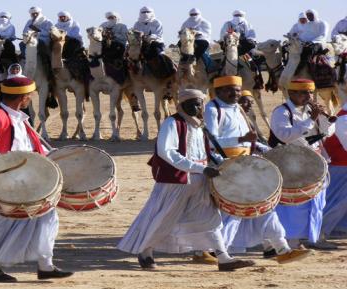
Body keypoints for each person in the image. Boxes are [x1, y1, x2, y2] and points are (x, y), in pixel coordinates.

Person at [118, 88, 256, 272]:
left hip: (202, 180)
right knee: (164, 217)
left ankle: (223, 258)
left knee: (211, 219)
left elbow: (209, 153)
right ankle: (145, 252)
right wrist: (200, 168)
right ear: (181, 105)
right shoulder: (172, 123)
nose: (197, 107)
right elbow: (166, 152)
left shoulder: (200, 126)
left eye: (199, 103)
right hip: (177, 180)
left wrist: (225, 165)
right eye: (192, 103)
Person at [0, 77, 73, 281]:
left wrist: (57, 157)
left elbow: (34, 147)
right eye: (29, 95)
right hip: (6, 184)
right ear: (23, 97)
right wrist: (3, 166)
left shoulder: (20, 118)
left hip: (29, 181)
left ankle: (46, 265)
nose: (30, 98)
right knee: (2, 225)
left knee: (47, 217)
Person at [204, 79, 312, 262]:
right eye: (231, 90)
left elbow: (249, 141)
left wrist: (270, 152)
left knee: (263, 207)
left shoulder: (238, 109)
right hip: (226, 166)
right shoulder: (213, 109)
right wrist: (239, 139)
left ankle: (282, 249)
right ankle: (216, 252)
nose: (236, 94)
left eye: (238, 90)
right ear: (219, 91)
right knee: (235, 212)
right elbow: (209, 142)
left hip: (247, 165)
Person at [269, 79, 334, 249]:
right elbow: (285, 136)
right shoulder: (281, 112)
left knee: (317, 202)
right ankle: (291, 241)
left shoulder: (310, 110)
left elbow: (327, 133)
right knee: (294, 204)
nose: (309, 96)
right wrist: (310, 120)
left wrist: (324, 117)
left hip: (315, 161)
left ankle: (312, 237)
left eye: (310, 93)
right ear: (291, 93)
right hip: (292, 163)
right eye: (304, 93)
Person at [321, 101, 347, 242]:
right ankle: (320, 232)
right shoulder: (343, 119)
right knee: (336, 201)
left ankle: (339, 228)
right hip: (340, 166)